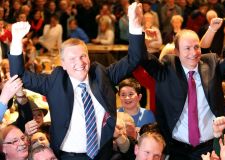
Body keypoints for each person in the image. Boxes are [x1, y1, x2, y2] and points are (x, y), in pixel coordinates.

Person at [8, 2, 145, 159]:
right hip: (69, 156)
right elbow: (19, 75)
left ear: (88, 57)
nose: (79, 63)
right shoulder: (55, 81)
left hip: (102, 154)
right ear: (63, 64)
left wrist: (135, 24)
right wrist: (17, 39)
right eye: (72, 59)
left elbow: (134, 58)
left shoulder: (102, 75)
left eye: (82, 56)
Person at [139, 10, 225, 159]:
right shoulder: (167, 70)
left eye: (196, 47)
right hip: (176, 149)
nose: (193, 52)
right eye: (187, 48)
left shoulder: (211, 66)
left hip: (211, 148)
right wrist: (137, 29)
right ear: (176, 52)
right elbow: (140, 57)